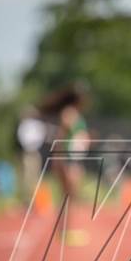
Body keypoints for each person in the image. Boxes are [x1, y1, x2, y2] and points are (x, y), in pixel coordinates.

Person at [38, 83, 90, 244]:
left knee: (69, 196)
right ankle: (66, 231)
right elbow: (61, 139)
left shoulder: (72, 113)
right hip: (68, 161)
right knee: (69, 196)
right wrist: (60, 161)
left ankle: (65, 230)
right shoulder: (69, 114)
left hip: (71, 160)